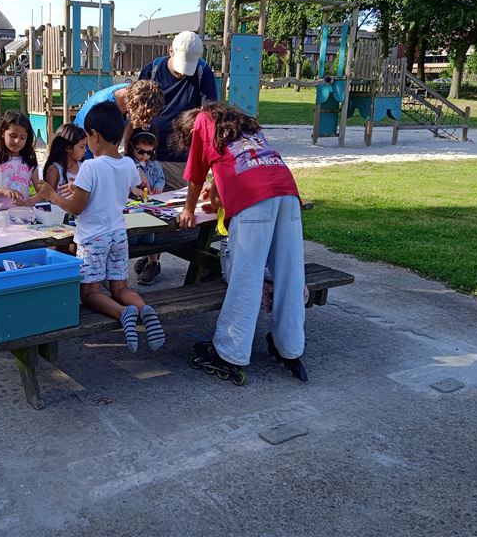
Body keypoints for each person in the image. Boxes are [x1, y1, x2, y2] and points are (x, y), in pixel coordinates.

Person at [174, 102, 308, 385]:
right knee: (291, 274)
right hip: (286, 192)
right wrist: (222, 194)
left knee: (245, 278)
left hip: (254, 201)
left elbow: (196, 175)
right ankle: (291, 346)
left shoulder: (202, 122)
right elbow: (244, 166)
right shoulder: (242, 127)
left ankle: (231, 353)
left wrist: (188, 209)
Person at [39, 101, 166, 353]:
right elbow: (131, 188)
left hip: (93, 238)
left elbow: (76, 208)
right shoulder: (128, 164)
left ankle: (123, 313)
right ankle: (143, 309)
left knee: (89, 293)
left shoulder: (90, 166)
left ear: (94, 135)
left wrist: (52, 195)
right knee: (120, 287)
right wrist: (82, 188)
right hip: (118, 234)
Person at [138, 30, 218, 190]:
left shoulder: (203, 73)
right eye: (181, 66)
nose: (183, 73)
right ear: (170, 51)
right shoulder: (151, 70)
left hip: (182, 160)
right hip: (148, 157)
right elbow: (137, 114)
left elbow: (210, 115)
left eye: (188, 68)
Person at [73, 79, 164, 158]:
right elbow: (98, 148)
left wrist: (126, 154)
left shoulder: (133, 92)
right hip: (86, 143)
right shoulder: (103, 107)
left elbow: (131, 124)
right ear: (134, 105)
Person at [0, 110, 41, 210]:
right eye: (13, 136)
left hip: (23, 215)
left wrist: (29, 202)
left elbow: (41, 192)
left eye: (22, 138)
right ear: (3, 133)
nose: (17, 141)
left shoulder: (30, 162)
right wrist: (3, 190)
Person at [125, 130, 165, 285]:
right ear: (132, 147)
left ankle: (151, 262)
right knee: (133, 239)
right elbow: (121, 183)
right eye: (140, 151)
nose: (144, 156)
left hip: (150, 206)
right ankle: (146, 261)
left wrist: (159, 187)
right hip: (132, 209)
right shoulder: (128, 164)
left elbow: (161, 179)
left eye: (149, 152)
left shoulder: (155, 165)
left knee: (149, 238)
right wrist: (132, 189)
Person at [42, 123, 87, 195]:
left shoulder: (84, 166)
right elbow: (49, 197)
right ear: (68, 148)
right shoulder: (54, 169)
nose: (85, 150)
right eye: (82, 147)